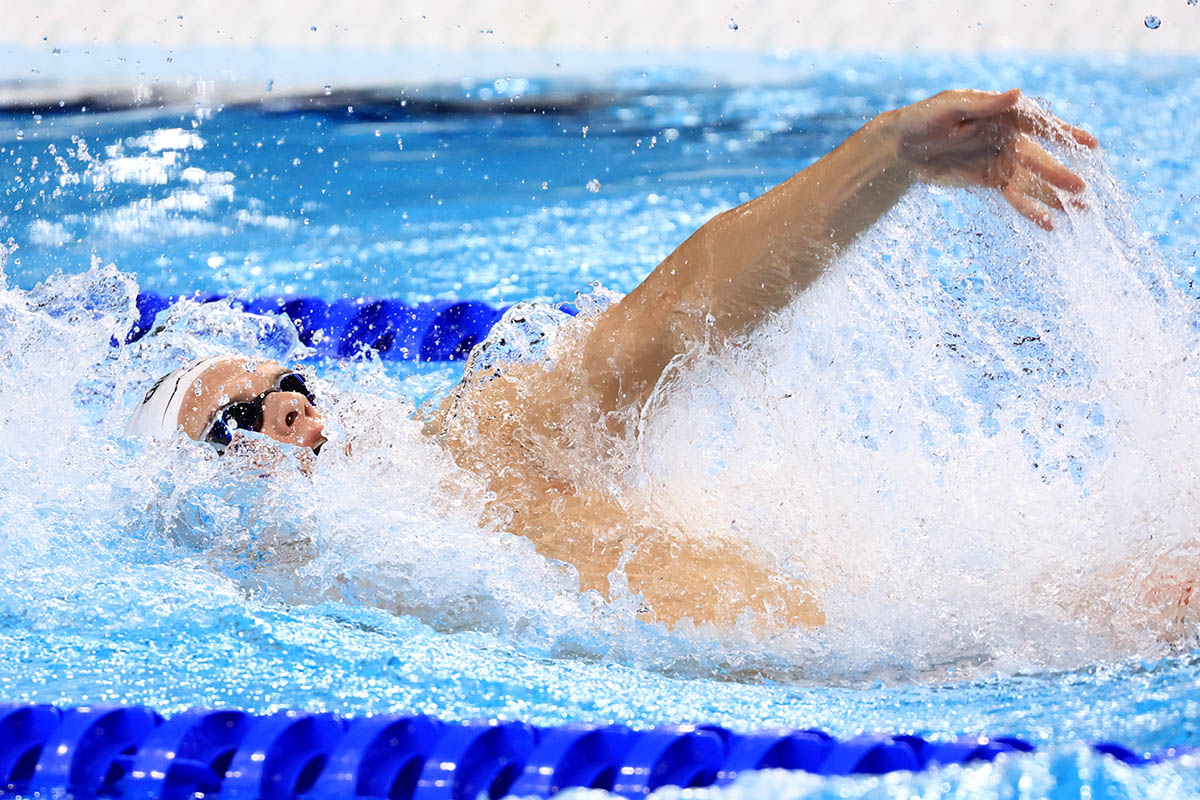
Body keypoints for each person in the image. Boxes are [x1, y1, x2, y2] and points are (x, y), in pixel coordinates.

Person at [126, 88, 1097, 632]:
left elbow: (677, 312)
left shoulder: (476, 446)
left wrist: (885, 156)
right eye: (231, 423)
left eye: (281, 384)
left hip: (993, 628)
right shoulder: (304, 592)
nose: (283, 411)